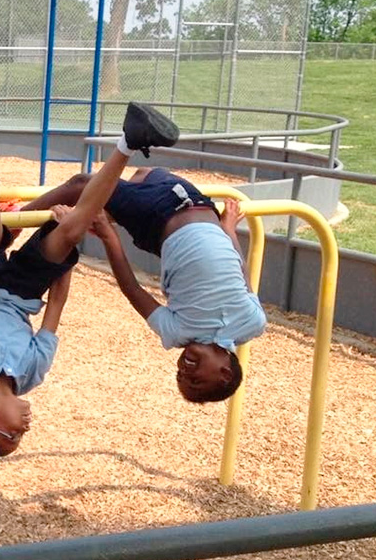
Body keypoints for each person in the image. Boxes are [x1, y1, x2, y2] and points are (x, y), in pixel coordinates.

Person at [0, 102, 180, 456]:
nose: (25, 430)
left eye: (12, 436)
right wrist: (66, 244)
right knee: (73, 221)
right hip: (22, 293)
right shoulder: (32, 374)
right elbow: (56, 306)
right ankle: (129, 141)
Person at [24, 163, 266, 403]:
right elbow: (241, 272)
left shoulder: (177, 333)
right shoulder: (252, 323)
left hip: (156, 220)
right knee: (145, 174)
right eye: (195, 380)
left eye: (179, 376)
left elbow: (132, 289)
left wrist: (109, 236)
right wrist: (229, 230)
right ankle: (102, 209)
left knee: (82, 185)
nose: (185, 371)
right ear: (225, 374)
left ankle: (12, 222)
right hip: (200, 207)